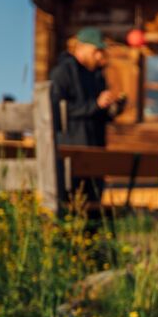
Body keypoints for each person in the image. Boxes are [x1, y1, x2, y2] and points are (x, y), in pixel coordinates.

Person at [49, 27, 125, 213]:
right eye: (95, 51)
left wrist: (113, 107)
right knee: (71, 203)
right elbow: (55, 112)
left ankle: (93, 240)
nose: (99, 56)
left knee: (94, 202)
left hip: (95, 151)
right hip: (71, 151)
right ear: (80, 48)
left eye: (101, 52)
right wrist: (95, 105)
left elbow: (98, 113)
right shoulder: (63, 73)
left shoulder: (97, 75)